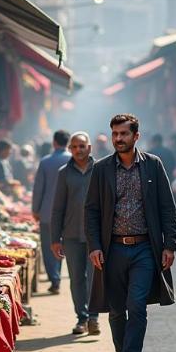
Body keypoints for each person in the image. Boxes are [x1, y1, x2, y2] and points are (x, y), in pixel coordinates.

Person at [85, 114, 176, 352]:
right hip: (112, 249)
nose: (118, 139)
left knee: (136, 305)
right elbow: (90, 210)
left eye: (124, 134)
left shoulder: (153, 166)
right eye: (115, 134)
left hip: (144, 250)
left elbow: (167, 207)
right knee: (116, 310)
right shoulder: (102, 169)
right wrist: (94, 246)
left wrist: (169, 244)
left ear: (136, 136)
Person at [51, 132, 98, 336]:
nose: (78, 150)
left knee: (95, 278)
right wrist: (55, 239)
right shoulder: (64, 173)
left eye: (82, 146)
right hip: (71, 235)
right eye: (75, 147)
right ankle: (82, 318)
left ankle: (94, 317)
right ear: (70, 149)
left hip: (96, 235)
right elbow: (57, 207)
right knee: (76, 278)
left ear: (90, 147)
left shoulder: (101, 170)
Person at [32, 130, 71, 294]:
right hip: (68, 213)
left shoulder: (45, 161)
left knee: (49, 246)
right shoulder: (73, 160)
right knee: (61, 244)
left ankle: (54, 279)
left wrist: (35, 209)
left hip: (47, 211)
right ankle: (56, 275)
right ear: (68, 143)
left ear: (54, 142)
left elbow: (38, 188)